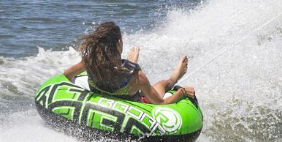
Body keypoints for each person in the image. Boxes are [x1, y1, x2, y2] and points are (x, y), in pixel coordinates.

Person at [63, 21, 196, 104]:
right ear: (119, 43)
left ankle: (133, 64)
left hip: (112, 89)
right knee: (163, 84)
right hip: (135, 101)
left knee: (134, 76)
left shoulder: (89, 63)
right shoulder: (137, 77)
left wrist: (131, 64)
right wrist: (181, 93)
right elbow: (160, 103)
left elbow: (65, 77)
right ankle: (174, 78)